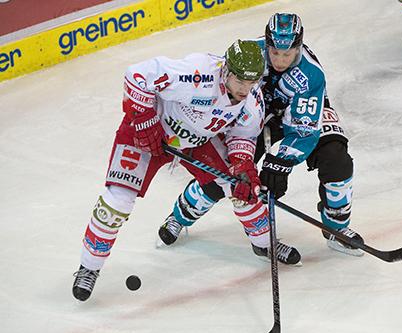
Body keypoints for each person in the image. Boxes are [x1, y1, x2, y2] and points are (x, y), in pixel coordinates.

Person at [72, 39, 301, 302]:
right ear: (226, 71)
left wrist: (242, 163)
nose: (245, 90)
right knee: (117, 202)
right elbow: (136, 75)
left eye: (251, 83)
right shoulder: (197, 73)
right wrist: (145, 118)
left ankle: (265, 244)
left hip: (198, 141)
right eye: (241, 82)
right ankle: (88, 267)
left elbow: (243, 136)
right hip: (148, 134)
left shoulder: (252, 100)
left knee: (244, 188)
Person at [158, 13, 364, 260]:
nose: (280, 60)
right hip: (249, 119)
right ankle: (181, 215)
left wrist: (279, 163)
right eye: (275, 52)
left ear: (298, 47)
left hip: (299, 117)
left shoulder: (312, 75)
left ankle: (336, 228)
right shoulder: (248, 54)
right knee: (227, 175)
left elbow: (304, 130)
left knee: (336, 158)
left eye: (287, 54)